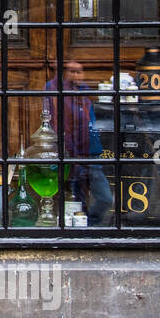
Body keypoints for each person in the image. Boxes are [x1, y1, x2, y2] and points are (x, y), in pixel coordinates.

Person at [44, 61, 114, 226]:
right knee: (77, 198)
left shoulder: (84, 94)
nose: (76, 75)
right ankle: (82, 226)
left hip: (92, 154)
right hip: (74, 154)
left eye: (79, 72)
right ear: (65, 74)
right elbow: (60, 126)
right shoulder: (58, 92)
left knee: (105, 198)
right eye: (72, 72)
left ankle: (91, 222)